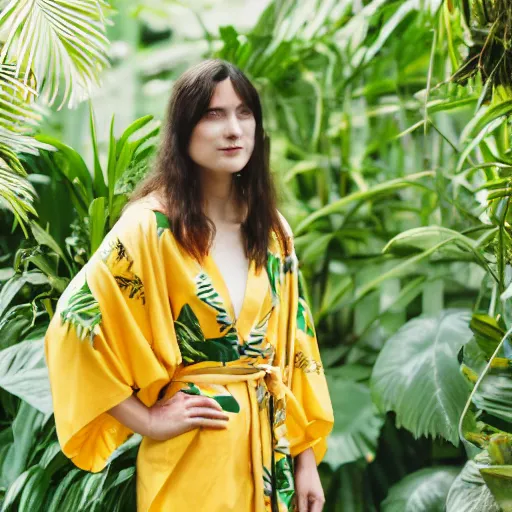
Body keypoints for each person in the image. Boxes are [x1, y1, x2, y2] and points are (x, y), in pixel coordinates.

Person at [44, 59, 334, 512]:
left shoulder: (273, 231)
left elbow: (296, 347)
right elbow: (75, 323)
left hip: (269, 459)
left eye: (244, 113)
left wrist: (305, 459)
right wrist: (147, 420)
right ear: (183, 129)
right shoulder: (149, 227)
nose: (233, 129)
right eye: (213, 114)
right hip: (189, 461)